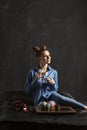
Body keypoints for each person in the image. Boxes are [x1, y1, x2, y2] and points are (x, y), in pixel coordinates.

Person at [24, 45, 87, 110]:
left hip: (52, 96)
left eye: (49, 55)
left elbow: (55, 89)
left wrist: (53, 83)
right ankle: (54, 105)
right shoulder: (32, 72)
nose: (49, 57)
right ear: (39, 57)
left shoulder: (54, 72)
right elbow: (27, 91)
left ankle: (84, 107)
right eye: (45, 56)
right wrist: (35, 80)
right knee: (45, 105)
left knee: (61, 98)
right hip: (39, 100)